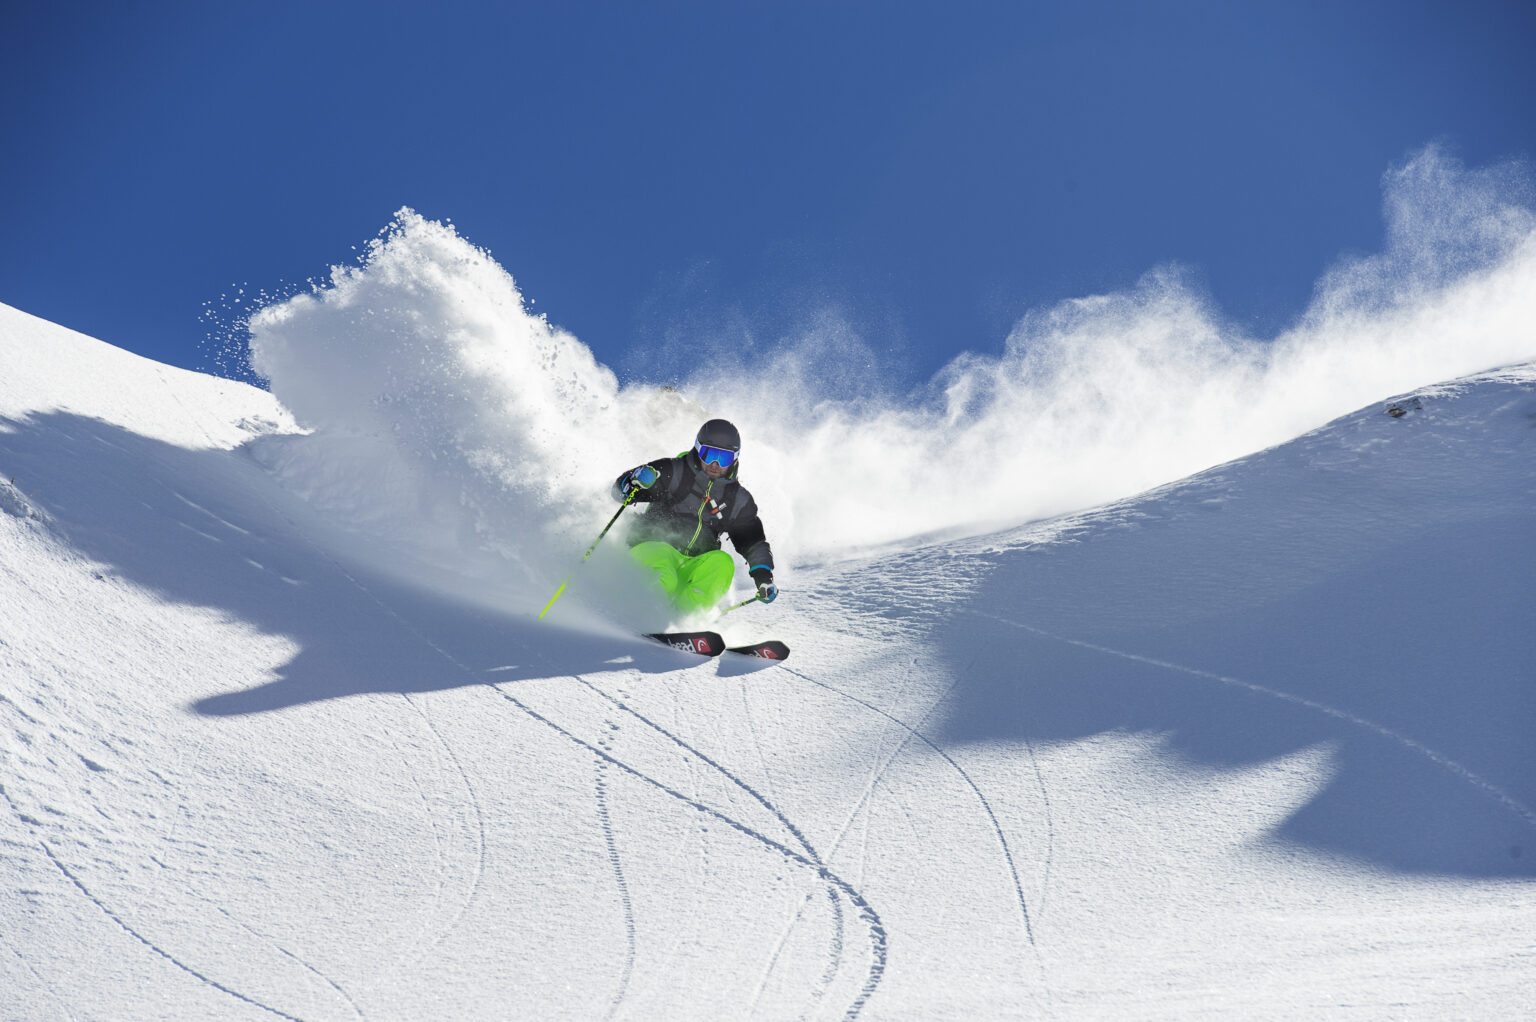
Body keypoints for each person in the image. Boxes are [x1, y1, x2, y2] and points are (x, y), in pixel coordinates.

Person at [612, 418, 776, 615]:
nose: (715, 464)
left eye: (723, 458)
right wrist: (634, 482)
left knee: (722, 563)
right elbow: (620, 491)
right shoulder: (673, 471)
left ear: (735, 459)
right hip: (650, 548)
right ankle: (643, 613)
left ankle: (685, 621)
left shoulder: (737, 499)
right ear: (698, 450)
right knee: (664, 576)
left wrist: (764, 578)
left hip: (693, 563)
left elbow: (753, 541)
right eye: (709, 455)